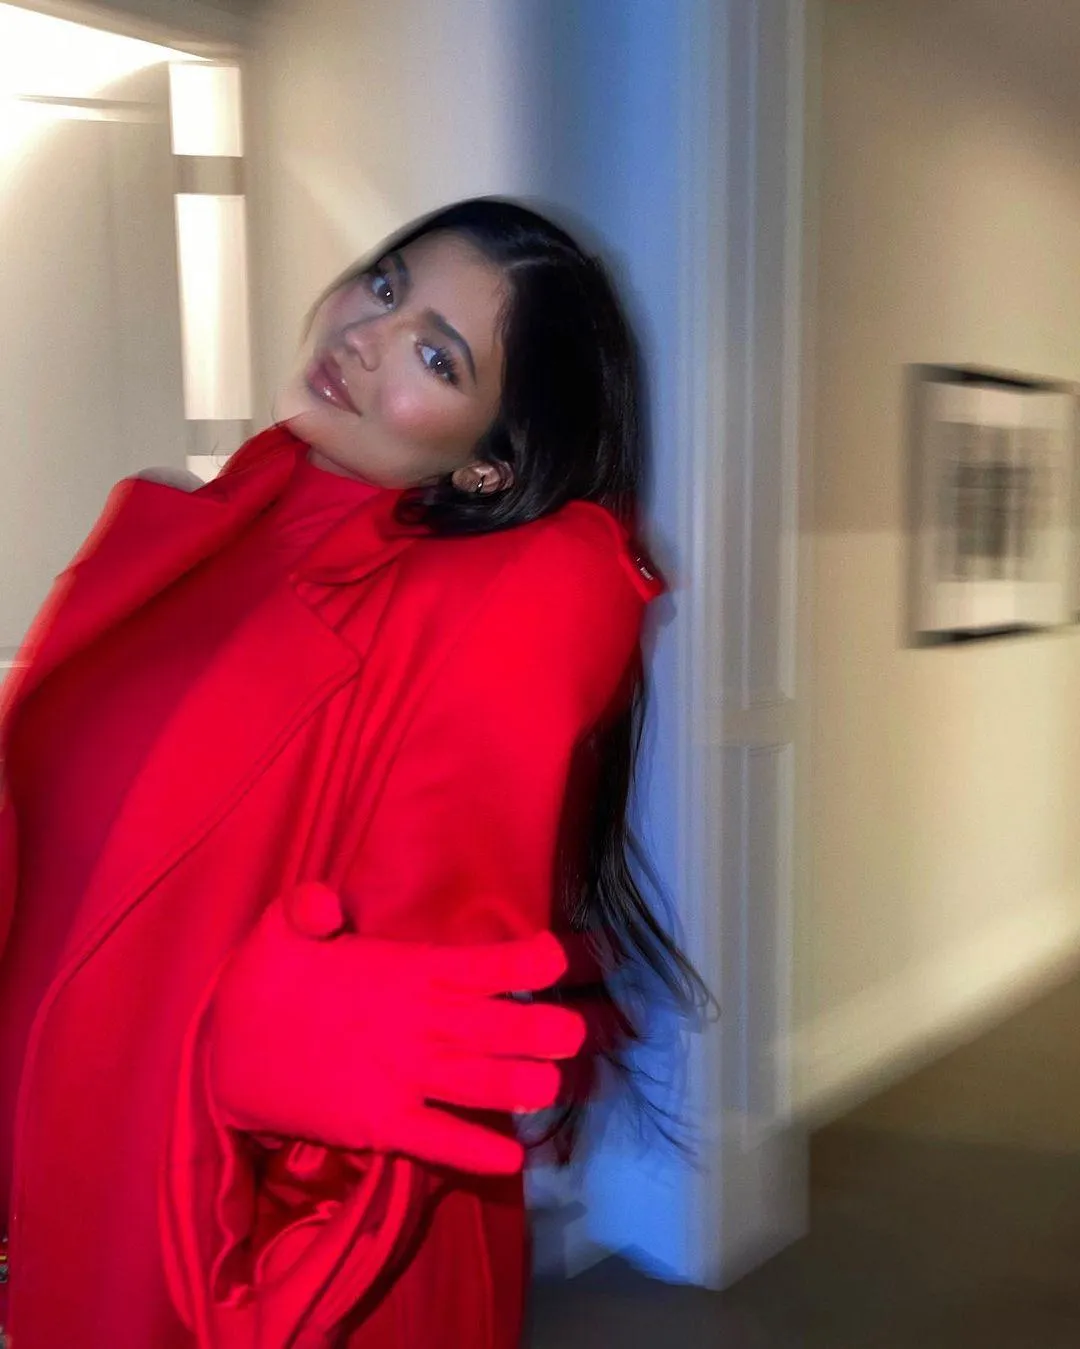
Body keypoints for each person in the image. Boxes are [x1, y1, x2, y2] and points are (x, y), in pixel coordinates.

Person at [0, 198, 697, 1348]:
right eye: (385, 283)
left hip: (233, 1226)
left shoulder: (475, 620)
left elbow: (392, 1058)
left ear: (490, 463)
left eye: (437, 354)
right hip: (64, 1160)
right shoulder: (221, 524)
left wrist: (235, 1094)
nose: (366, 335)